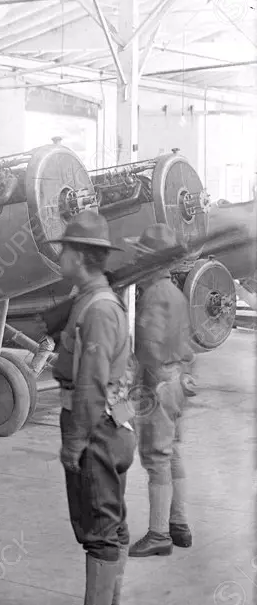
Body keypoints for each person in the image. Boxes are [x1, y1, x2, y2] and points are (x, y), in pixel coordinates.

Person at [44, 210, 136, 605]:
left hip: (96, 427)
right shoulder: (98, 300)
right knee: (111, 521)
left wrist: (74, 441)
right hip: (114, 424)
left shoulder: (97, 310)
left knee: (98, 524)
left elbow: (91, 383)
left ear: (79, 256)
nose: (59, 255)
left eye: (64, 248)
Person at [127, 224, 194, 556]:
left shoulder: (153, 295)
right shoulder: (176, 293)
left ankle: (159, 534)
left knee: (156, 458)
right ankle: (179, 524)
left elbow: (148, 350)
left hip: (159, 383)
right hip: (179, 380)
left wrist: (137, 396)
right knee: (173, 454)